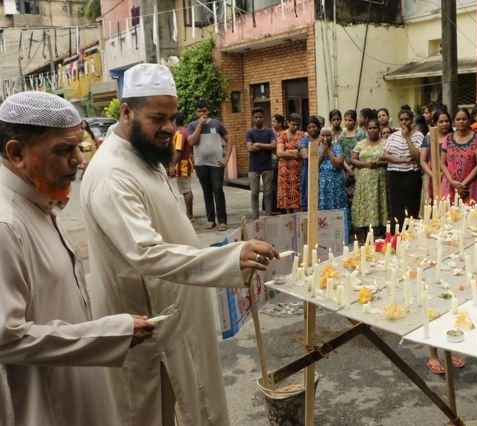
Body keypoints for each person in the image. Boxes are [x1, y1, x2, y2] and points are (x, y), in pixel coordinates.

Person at [80, 63, 278, 425]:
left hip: (177, 311)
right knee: (148, 412)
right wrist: (228, 259)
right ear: (126, 111)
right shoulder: (112, 173)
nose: (169, 128)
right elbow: (146, 251)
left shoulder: (144, 155)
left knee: (192, 404)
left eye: (173, 118)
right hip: (147, 323)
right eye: (158, 118)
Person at [0, 91, 155, 426]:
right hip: (45, 403)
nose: (79, 160)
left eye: (79, 147)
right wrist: (108, 333)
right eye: (63, 150)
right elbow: (7, 338)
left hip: (77, 388)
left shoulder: (39, 201)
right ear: (17, 153)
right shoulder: (6, 224)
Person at [188, 99, 231, 230]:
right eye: (199, 111)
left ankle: (222, 221)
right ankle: (211, 219)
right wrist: (200, 126)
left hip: (216, 164)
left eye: (204, 111)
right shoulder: (193, 125)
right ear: (196, 112)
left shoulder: (216, 124)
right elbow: (192, 142)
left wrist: (226, 159)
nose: (202, 113)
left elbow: (229, 139)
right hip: (201, 164)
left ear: (208, 110)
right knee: (207, 192)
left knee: (218, 190)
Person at [383, 109, 423, 229]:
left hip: (411, 175)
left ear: (412, 121)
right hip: (394, 175)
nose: (404, 122)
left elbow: (416, 156)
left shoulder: (418, 135)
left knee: (411, 205)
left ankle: (411, 232)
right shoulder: (393, 136)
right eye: (401, 120)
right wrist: (403, 160)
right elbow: (385, 155)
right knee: (396, 206)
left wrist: (407, 137)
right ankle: (398, 233)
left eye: (407, 119)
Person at [351, 119, 388, 239]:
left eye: (375, 128)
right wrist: (366, 165)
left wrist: (380, 163)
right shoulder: (361, 143)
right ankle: (364, 234)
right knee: (365, 204)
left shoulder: (386, 143)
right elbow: (353, 159)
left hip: (379, 179)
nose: (372, 130)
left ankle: (381, 232)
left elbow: (390, 159)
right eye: (370, 128)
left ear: (379, 129)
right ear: (367, 130)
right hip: (364, 181)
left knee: (379, 203)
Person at [440, 108, 477, 204]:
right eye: (458, 119)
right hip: (449, 185)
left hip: (471, 185)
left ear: (469, 121)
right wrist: (452, 182)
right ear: (454, 122)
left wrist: (463, 185)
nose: (461, 122)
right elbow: (442, 164)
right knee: (449, 216)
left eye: (464, 119)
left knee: (470, 216)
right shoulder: (448, 139)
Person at [246, 107, 276, 219]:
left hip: (267, 166)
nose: (258, 119)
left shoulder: (269, 131)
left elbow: (273, 145)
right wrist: (265, 146)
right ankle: (255, 217)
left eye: (260, 117)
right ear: (253, 118)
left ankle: (268, 215)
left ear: (264, 118)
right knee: (254, 193)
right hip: (253, 167)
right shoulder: (250, 132)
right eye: (256, 117)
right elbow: (249, 148)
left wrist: (258, 144)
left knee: (268, 193)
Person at [276, 113, 304, 213]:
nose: (295, 127)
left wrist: (287, 151)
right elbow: (279, 153)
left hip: (299, 171)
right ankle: (289, 219)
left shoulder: (302, 135)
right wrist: (296, 152)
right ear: (288, 123)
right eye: (293, 124)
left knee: (299, 195)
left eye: (297, 125)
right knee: (287, 196)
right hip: (285, 172)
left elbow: (304, 152)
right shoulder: (282, 135)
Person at [170, 112, 194, 221]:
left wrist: (172, 166)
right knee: (186, 189)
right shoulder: (185, 131)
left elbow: (179, 151)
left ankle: (189, 214)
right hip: (185, 162)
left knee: (186, 189)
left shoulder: (180, 133)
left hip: (182, 164)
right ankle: (189, 213)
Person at [318, 126, 348, 211]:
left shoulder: (337, 147)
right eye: (323, 135)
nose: (325, 138)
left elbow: (338, 164)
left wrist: (328, 150)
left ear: (332, 136)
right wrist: (323, 151)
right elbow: (315, 165)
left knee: (337, 203)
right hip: (323, 182)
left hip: (336, 181)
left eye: (328, 135)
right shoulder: (317, 148)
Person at [299, 116, 322, 211]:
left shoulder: (323, 138)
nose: (312, 129)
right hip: (308, 171)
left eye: (314, 126)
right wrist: (321, 155)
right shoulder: (304, 140)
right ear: (307, 129)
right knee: (308, 195)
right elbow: (305, 155)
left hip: (323, 171)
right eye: (309, 127)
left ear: (319, 127)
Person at [270, 113, 285, 214]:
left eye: (274, 121)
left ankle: (282, 206)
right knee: (272, 185)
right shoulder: (270, 133)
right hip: (272, 163)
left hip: (283, 162)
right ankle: (273, 207)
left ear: (280, 123)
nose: (272, 123)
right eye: (272, 121)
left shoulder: (284, 133)